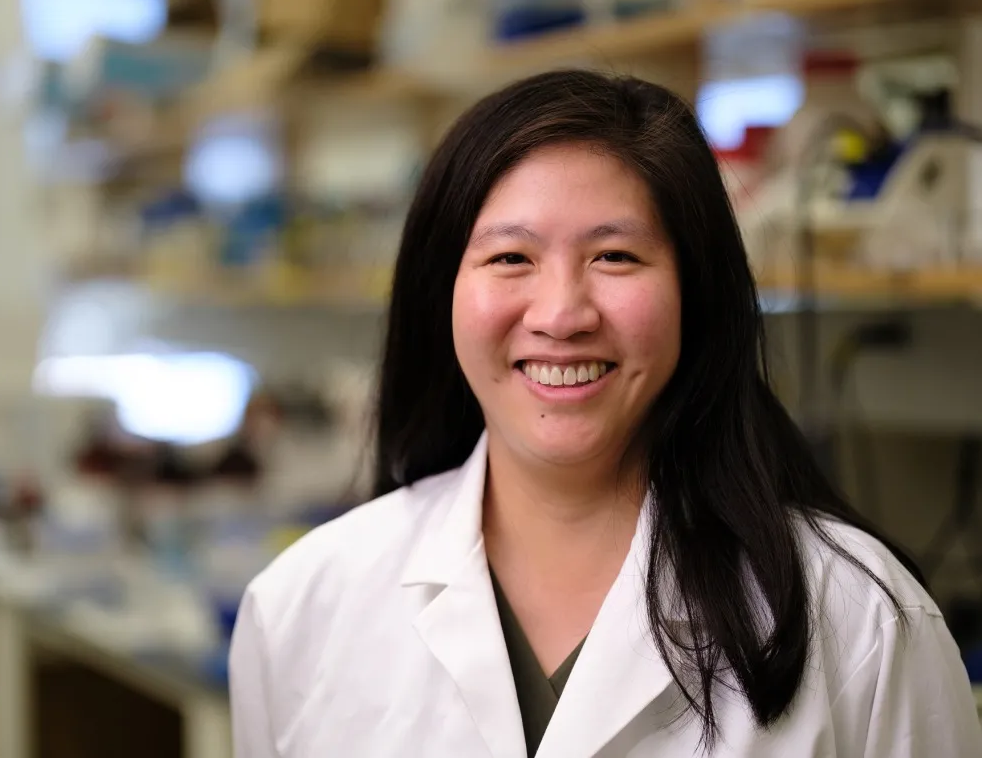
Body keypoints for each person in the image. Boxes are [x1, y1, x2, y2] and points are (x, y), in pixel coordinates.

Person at [228, 70, 982, 757]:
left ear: (698, 294)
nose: (562, 314)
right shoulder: (300, 609)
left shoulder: (863, 624)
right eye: (509, 259)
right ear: (442, 296)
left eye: (616, 256)